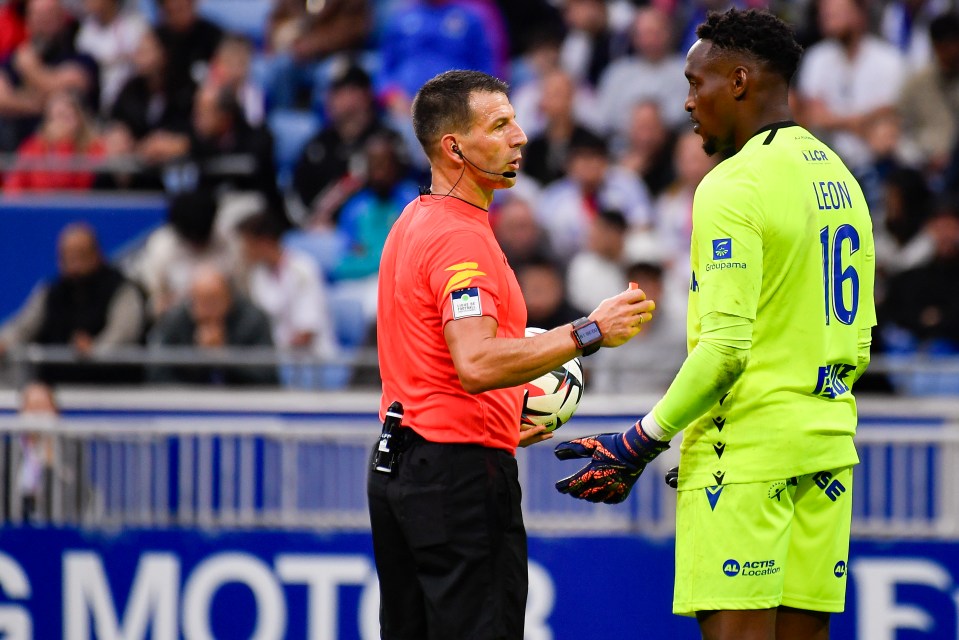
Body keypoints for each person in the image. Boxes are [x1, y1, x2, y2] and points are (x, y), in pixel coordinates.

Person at [553, 9, 877, 639]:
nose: (686, 102)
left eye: (695, 83)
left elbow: (724, 351)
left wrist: (637, 442)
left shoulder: (733, 185)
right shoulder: (840, 178)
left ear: (737, 81)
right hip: (827, 450)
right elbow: (860, 336)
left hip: (746, 456)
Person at [367, 69, 655, 639]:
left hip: (402, 463)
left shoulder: (413, 220)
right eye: (500, 125)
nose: (521, 136)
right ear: (454, 147)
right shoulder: (460, 237)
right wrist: (589, 332)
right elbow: (474, 363)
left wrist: (499, 417)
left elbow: (436, 364)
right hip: (456, 477)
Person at [0, 222, 146, 383]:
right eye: (67, 257)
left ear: (96, 254)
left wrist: (96, 349)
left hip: (112, 387)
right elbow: (23, 327)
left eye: (80, 255)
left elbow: (123, 333)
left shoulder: (121, 289)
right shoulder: (51, 292)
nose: (74, 264)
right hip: (57, 384)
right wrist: (4, 341)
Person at [147, 263, 278, 386]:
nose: (209, 310)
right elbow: (158, 376)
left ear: (229, 298)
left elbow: (267, 377)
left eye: (214, 301)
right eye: (202, 303)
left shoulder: (253, 321)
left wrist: (224, 357)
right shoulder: (175, 321)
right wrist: (198, 359)